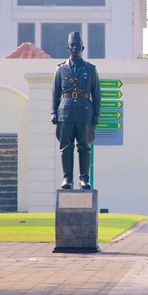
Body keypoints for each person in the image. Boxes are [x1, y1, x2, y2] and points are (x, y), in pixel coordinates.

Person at [52, 31, 101, 190]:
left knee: (84, 147)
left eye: (77, 45)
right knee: (66, 147)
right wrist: (54, 113)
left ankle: (84, 179)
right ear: (68, 47)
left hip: (85, 111)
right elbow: (55, 93)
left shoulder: (90, 69)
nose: (75, 47)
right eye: (72, 45)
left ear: (83, 47)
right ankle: (67, 179)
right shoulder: (60, 70)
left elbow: (96, 94)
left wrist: (96, 114)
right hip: (65, 111)